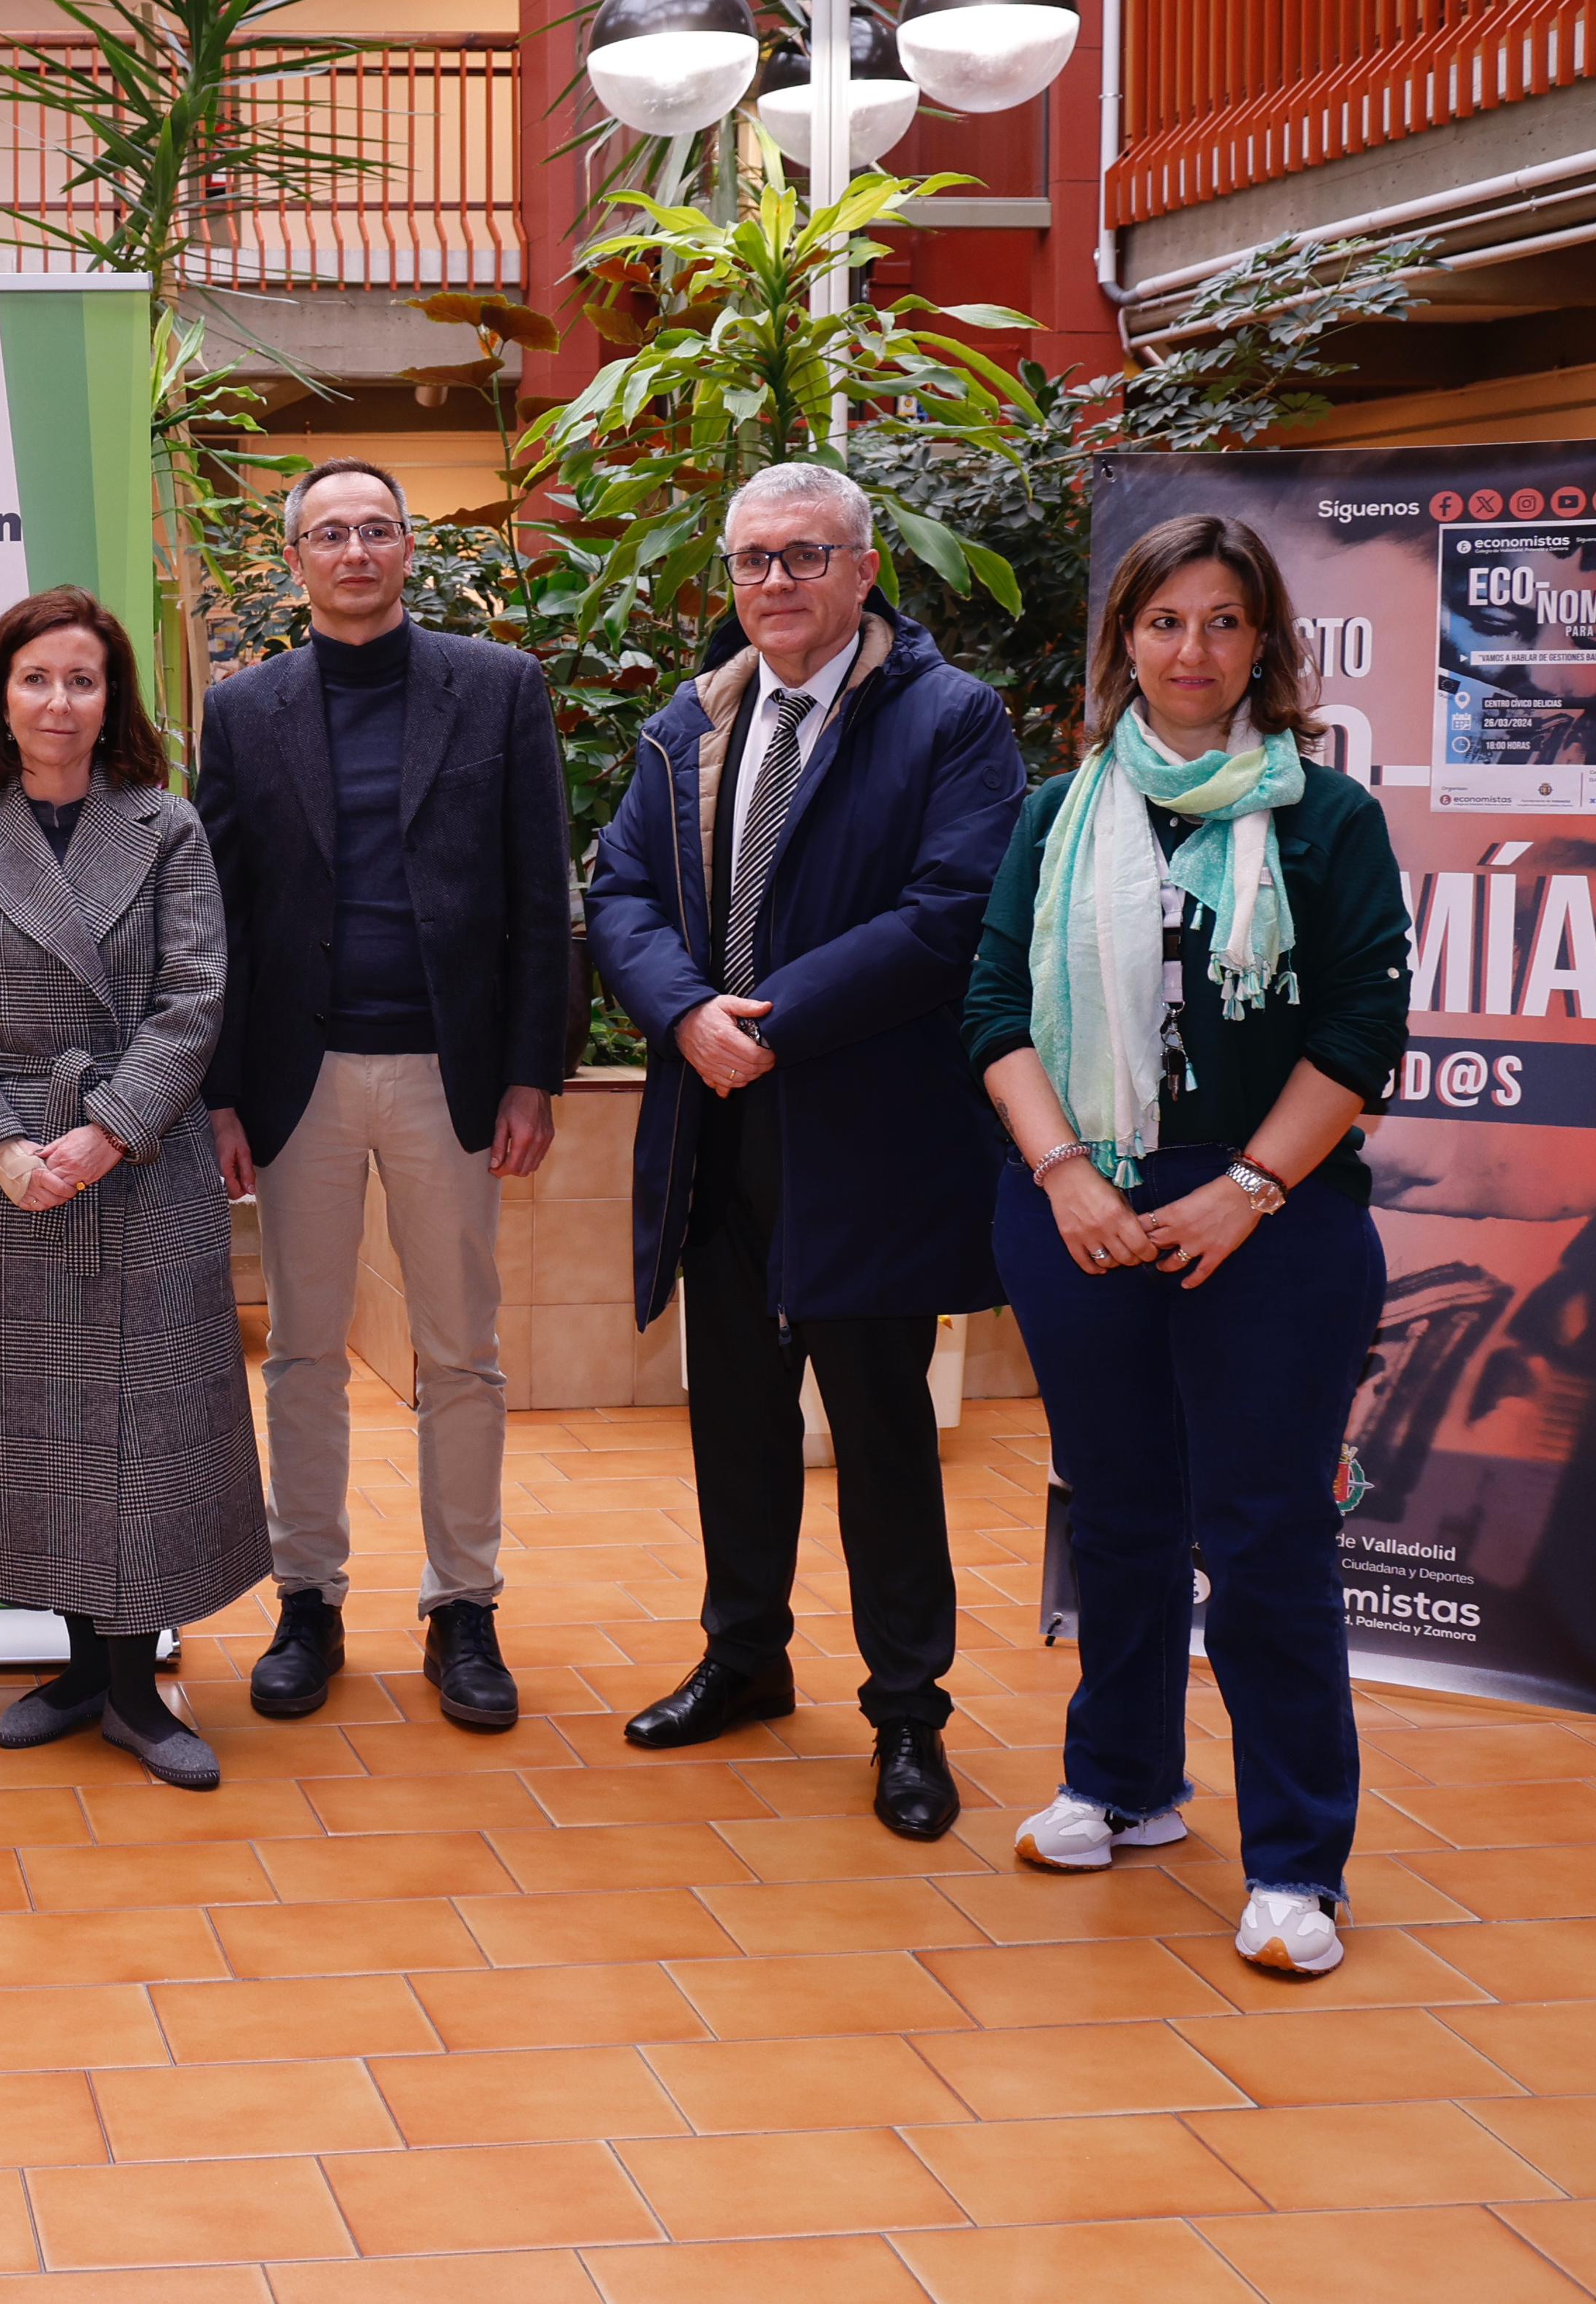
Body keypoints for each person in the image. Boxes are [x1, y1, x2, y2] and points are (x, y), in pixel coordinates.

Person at [965, 513, 1408, 1979]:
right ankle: (1125, 1785)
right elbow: (993, 1011)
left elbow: (1361, 1031)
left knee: (1264, 1532)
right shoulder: (1061, 810)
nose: (1193, 650)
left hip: (1274, 1220)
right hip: (1078, 1208)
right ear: (1125, 643)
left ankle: (1297, 1861)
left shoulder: (1326, 818)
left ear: (1263, 643)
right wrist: (1064, 1179)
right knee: (1118, 1514)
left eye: (1223, 622)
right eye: (1165, 622)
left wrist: (1247, 1189)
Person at [586, 460, 1024, 1841]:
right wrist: (683, 1013)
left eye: (806, 555)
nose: (775, 581)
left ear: (864, 567)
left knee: (883, 1432)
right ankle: (746, 1656)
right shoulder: (690, 722)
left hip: (865, 1131)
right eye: (753, 559)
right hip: (715, 1127)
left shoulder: (951, 719)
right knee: (735, 1416)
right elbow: (620, 889)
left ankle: (909, 1710)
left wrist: (766, 1021)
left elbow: (954, 907)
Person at [194, 460, 571, 1734]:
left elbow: (541, 893)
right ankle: (308, 1599)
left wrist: (530, 1070)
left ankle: (465, 1605)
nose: (354, 550)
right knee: (302, 1348)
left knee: (461, 1351)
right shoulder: (244, 711)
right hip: (296, 1081)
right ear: (295, 559)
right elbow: (219, 914)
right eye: (329, 533)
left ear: (409, 548)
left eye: (376, 529)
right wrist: (222, 1095)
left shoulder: (498, 687)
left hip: (447, 1076)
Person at [0, 588, 267, 1790]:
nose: (58, 701)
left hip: (140, 1163)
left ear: (112, 702)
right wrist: (5, 1147)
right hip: (7, 1175)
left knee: (143, 1428)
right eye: (36, 678)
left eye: (83, 679)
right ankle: (74, 1669)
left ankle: (134, 1688)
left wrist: (108, 1133)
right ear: (0, 699)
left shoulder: (167, 828)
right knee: (34, 1431)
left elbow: (195, 998)